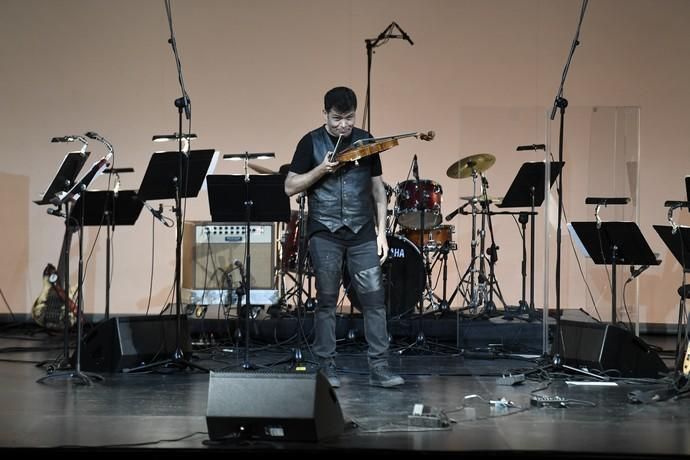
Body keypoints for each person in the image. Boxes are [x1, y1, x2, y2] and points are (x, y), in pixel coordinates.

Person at [284, 86, 404, 388]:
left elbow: (378, 191)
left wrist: (382, 233)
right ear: (325, 113)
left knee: (375, 301)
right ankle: (326, 367)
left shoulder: (366, 142)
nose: (344, 125)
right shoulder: (309, 142)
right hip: (324, 231)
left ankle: (379, 367)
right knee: (326, 301)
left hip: (362, 231)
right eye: (337, 118)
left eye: (349, 118)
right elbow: (290, 186)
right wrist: (321, 169)